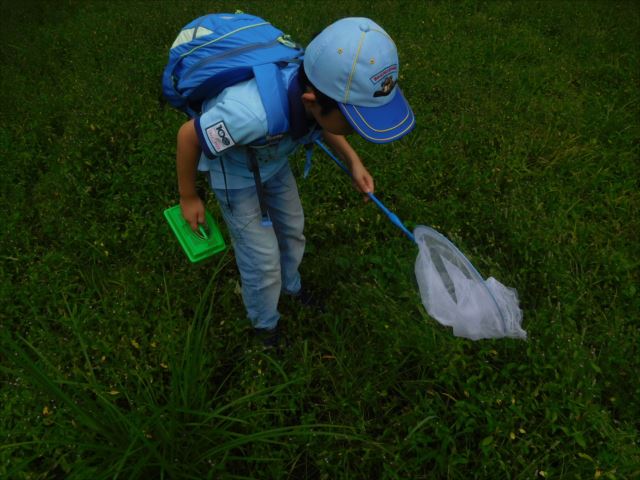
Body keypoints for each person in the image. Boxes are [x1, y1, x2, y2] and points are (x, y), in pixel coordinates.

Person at [175, 17, 415, 344]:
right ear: (311, 102)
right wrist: (189, 197)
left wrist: (353, 160)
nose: (358, 130)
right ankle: (265, 325)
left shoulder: (315, 92)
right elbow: (189, 136)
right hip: (238, 177)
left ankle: (290, 287)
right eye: (354, 121)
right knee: (261, 260)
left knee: (292, 228)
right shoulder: (248, 115)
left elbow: (322, 124)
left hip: (272, 162)